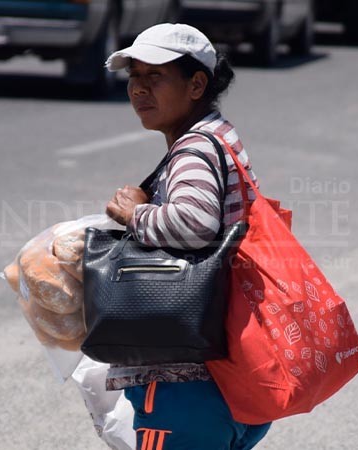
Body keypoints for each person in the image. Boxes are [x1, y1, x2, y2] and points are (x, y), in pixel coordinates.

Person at [102, 23, 271, 450]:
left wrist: (134, 213)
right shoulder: (221, 136)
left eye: (154, 76)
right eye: (134, 77)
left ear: (197, 84)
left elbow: (194, 225)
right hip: (231, 372)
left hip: (189, 385)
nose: (139, 89)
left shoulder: (194, 149)